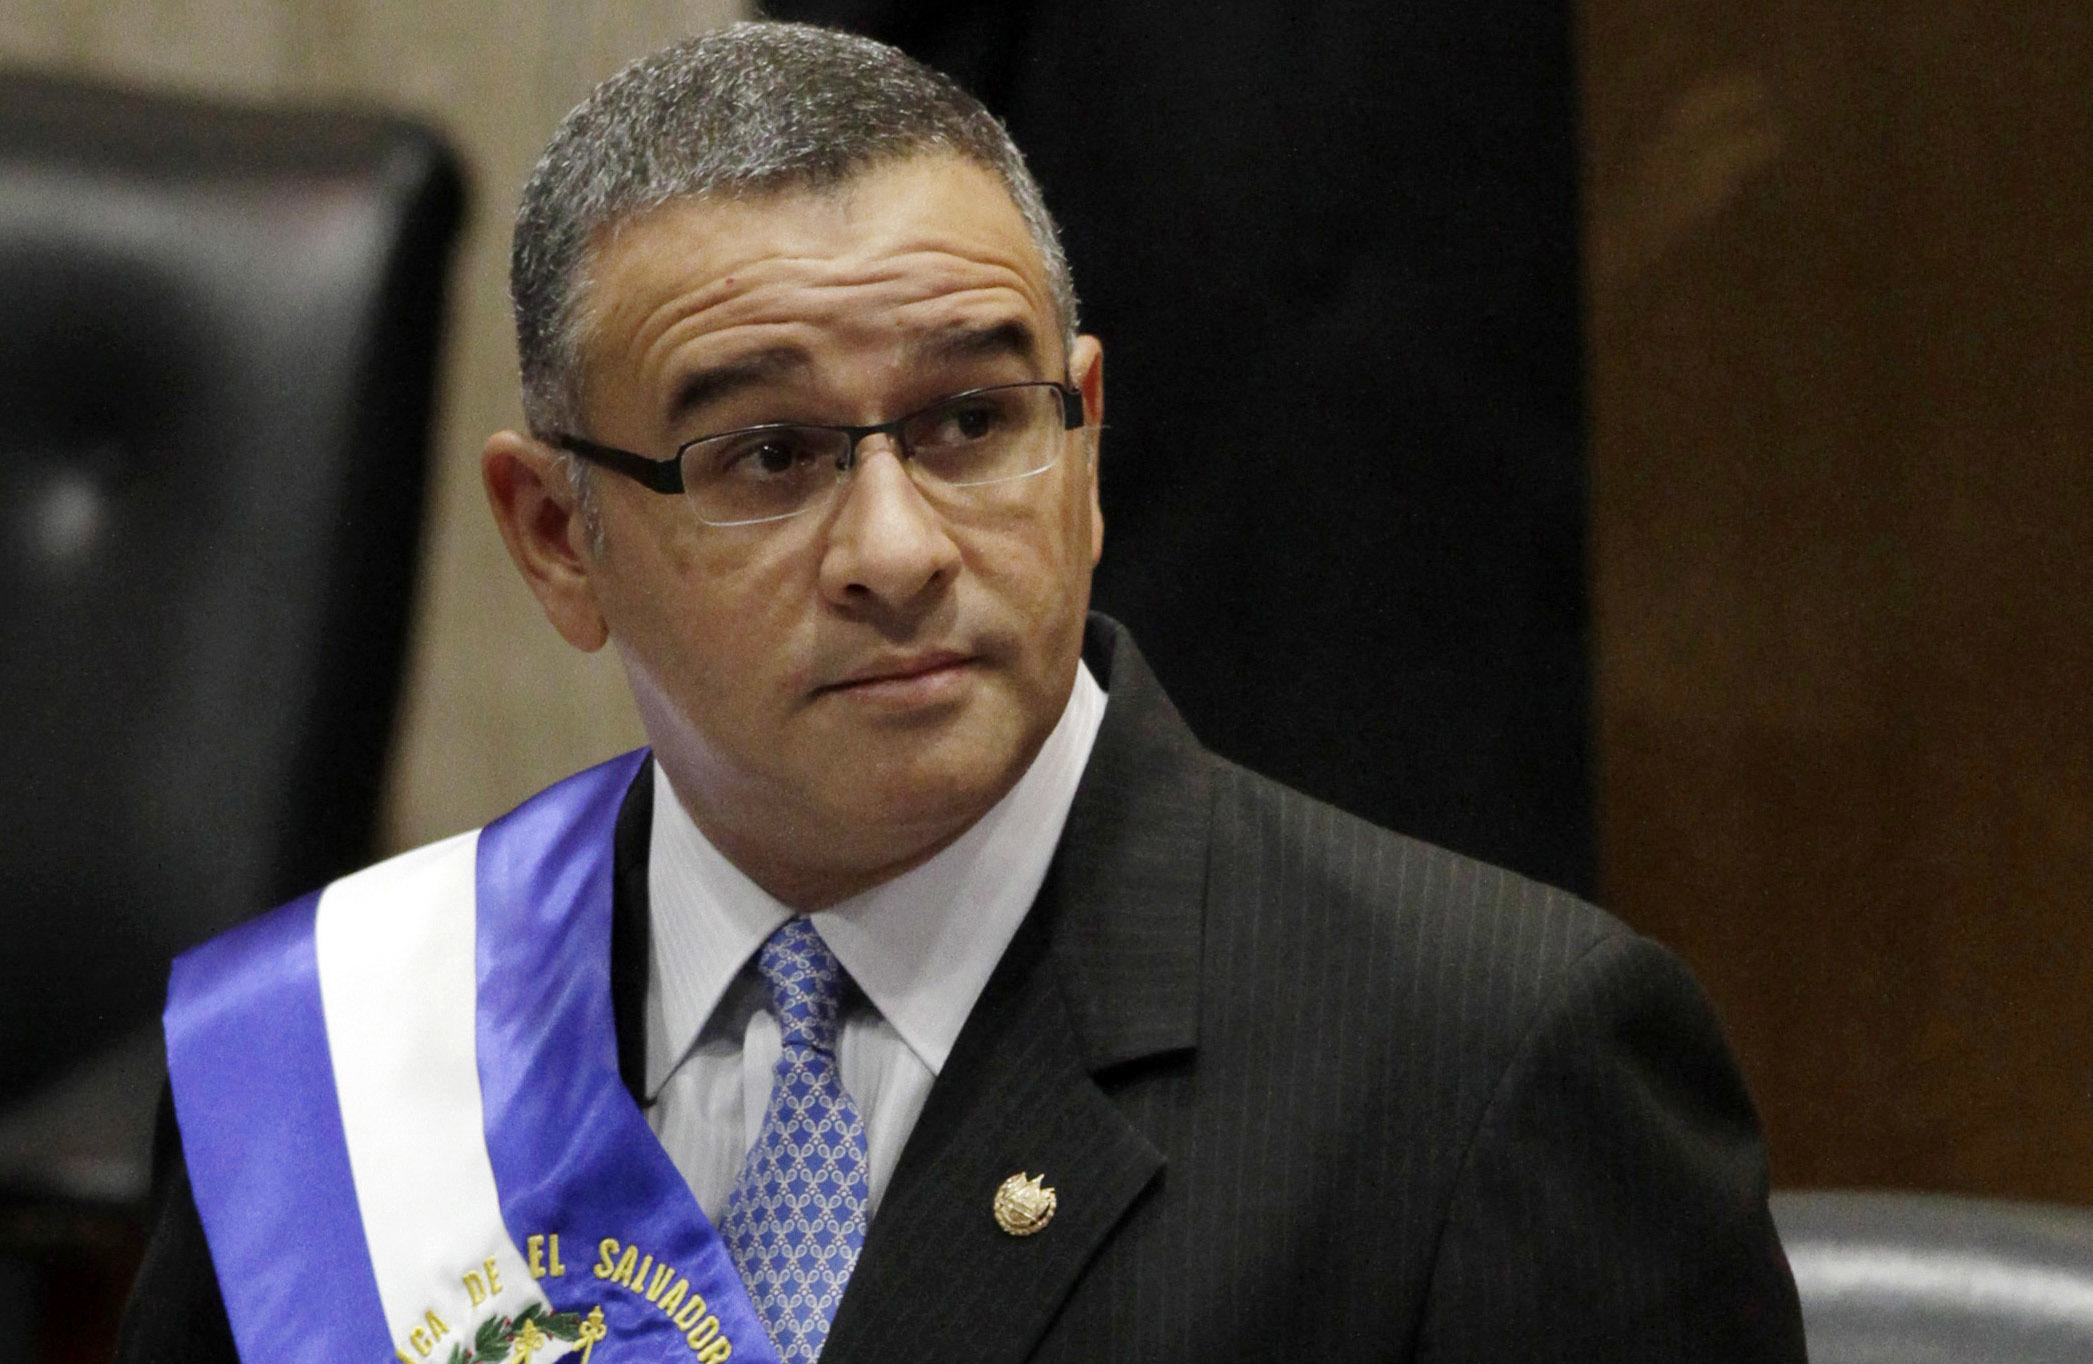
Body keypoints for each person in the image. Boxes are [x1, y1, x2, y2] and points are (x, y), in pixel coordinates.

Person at [118, 21, 1804, 1364]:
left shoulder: (1492, 1066)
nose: (896, 548)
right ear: (559, 536)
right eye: (764, 453)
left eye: (969, 424)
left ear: (1083, 440)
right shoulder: (334, 1064)